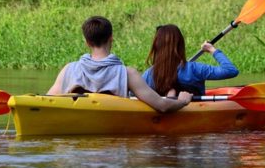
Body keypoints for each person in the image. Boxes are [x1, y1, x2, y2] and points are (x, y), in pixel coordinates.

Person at [48, 16, 192, 113]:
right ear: (111, 39)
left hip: (73, 153)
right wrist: (182, 101)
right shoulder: (128, 73)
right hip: (112, 151)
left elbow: (48, 99)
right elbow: (162, 106)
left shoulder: (69, 69)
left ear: (87, 42)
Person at [142, 24, 239, 96]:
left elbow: (133, 95)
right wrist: (212, 49)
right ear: (180, 45)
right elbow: (231, 70)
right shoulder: (194, 69)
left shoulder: (148, 74)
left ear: (156, 47)